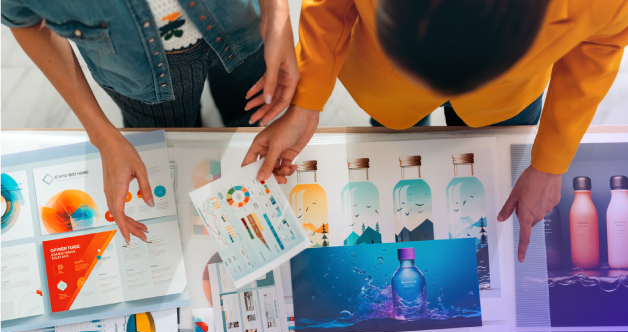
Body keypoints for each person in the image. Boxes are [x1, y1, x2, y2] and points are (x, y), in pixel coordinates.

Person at [243, 0, 628, 260]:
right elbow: (330, 4)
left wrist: (550, 162)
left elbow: (602, 41)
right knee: (393, 152)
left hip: (507, 97)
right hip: (388, 88)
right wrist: (307, 101)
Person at [0, 0, 299, 244]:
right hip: (142, 79)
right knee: (178, 160)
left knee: (251, 124)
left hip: (244, 29)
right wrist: (101, 134)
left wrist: (277, 14)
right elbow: (24, 19)